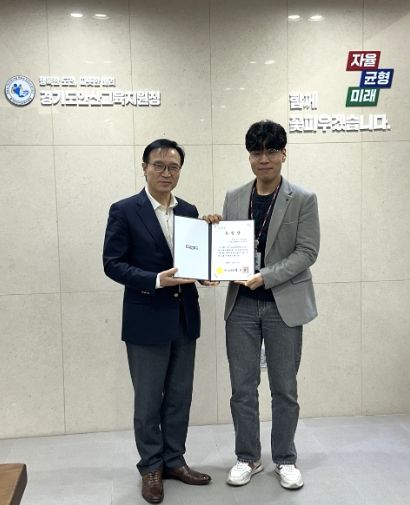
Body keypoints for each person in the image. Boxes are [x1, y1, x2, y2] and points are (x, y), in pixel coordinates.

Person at [206, 120, 320, 490]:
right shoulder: (234, 196)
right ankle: (248, 457)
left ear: (283, 154)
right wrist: (212, 233)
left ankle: (285, 458)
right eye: (257, 152)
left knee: (284, 388)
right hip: (241, 304)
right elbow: (227, 246)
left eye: (271, 151)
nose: (264, 159)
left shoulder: (302, 198)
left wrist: (266, 276)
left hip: (282, 304)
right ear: (249, 157)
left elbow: (307, 251)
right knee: (242, 387)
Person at [103, 139, 211, 504]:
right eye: (159, 165)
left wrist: (207, 271)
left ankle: (174, 460)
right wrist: (155, 280)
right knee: (149, 399)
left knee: (180, 396)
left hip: (184, 317)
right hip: (146, 317)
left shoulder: (189, 210)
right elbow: (112, 264)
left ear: (180, 171)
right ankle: (151, 466)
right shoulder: (124, 210)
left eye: (173, 167)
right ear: (144, 167)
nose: (166, 173)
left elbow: (194, 258)